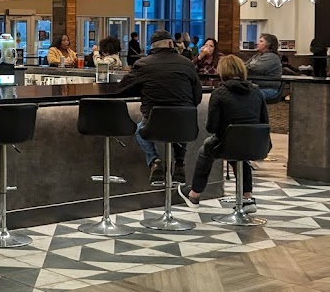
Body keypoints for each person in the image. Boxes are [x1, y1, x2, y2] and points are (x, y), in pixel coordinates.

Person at [178, 54, 268, 214]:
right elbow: (264, 121)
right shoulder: (256, 91)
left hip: (229, 144)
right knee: (242, 156)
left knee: (206, 150)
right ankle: (247, 197)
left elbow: (211, 127)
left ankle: (194, 194)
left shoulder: (219, 93)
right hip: (257, 144)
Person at [110, 29, 202, 186]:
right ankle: (179, 163)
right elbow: (197, 97)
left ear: (152, 47)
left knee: (139, 130)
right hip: (186, 125)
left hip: (153, 125)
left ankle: (155, 161)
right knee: (180, 118)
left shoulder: (142, 65)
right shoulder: (187, 64)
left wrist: (142, 89)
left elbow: (122, 89)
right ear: (171, 44)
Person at [246, 32, 283, 101]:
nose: (257, 43)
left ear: (268, 44)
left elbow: (255, 68)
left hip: (268, 89)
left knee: (245, 97)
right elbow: (245, 66)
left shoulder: (272, 57)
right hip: (255, 87)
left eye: (261, 41)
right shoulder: (256, 56)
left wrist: (244, 67)